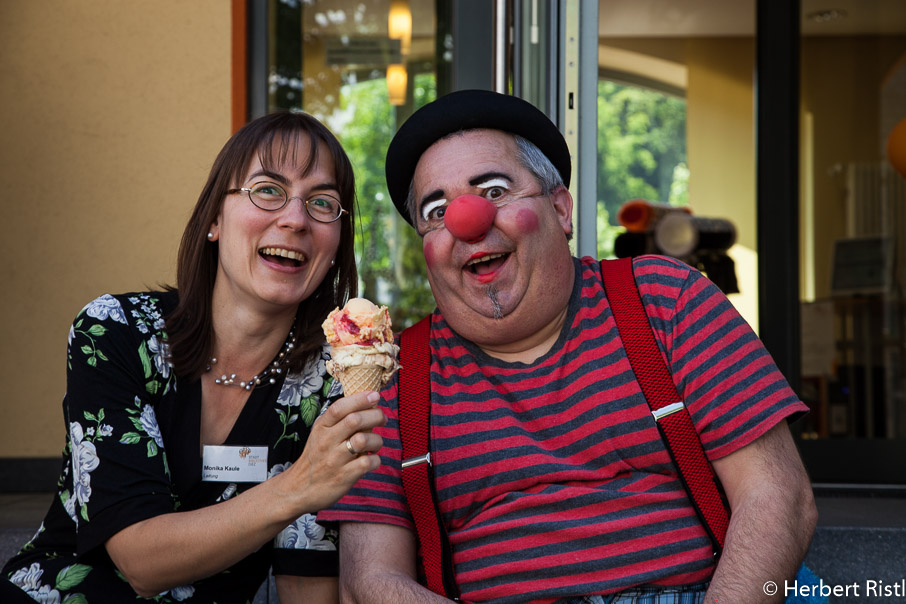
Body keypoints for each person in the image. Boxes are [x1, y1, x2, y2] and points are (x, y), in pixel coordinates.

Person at [319, 89, 817, 603]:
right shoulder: (396, 379)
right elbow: (370, 582)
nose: (467, 221)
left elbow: (779, 496)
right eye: (437, 210)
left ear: (560, 209)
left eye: (492, 191)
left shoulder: (668, 302)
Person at [1, 112, 385, 603]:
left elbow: (305, 581)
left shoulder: (331, 382)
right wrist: (300, 485)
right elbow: (140, 561)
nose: (295, 219)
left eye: (322, 202)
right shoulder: (116, 332)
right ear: (213, 221)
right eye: (267, 190)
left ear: (336, 247)